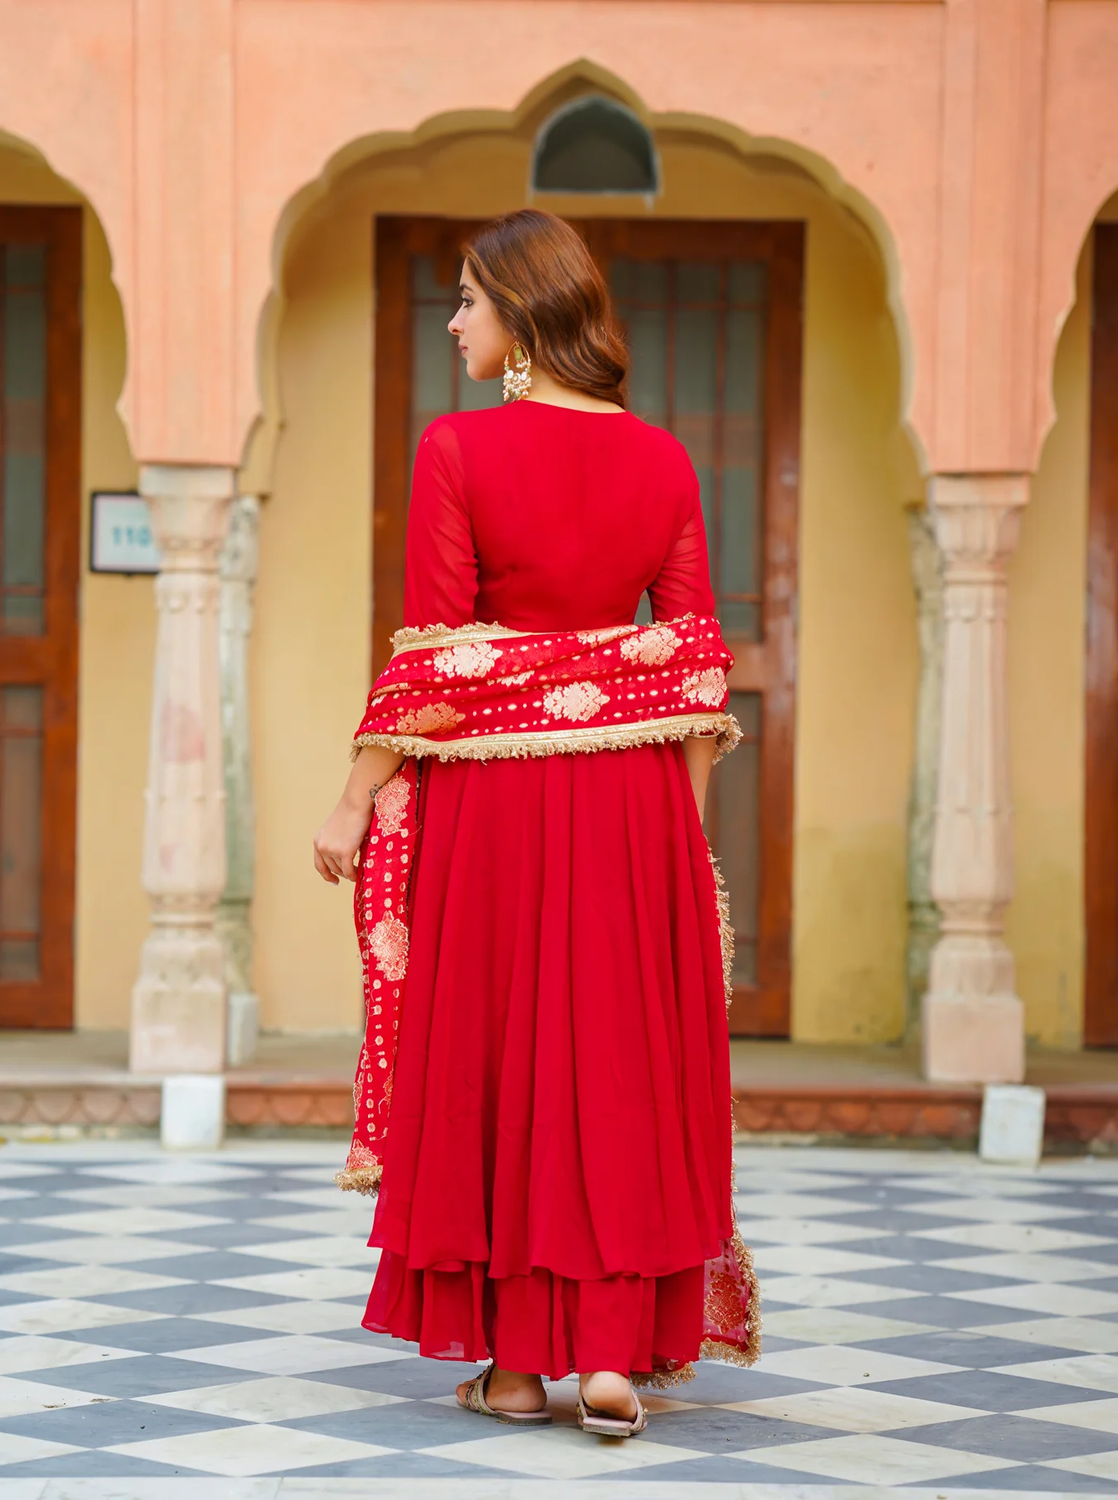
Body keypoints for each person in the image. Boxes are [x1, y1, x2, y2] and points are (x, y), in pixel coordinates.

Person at [314, 209, 756, 1437]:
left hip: (495, 816)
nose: (453, 322)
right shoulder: (666, 462)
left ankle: (513, 1370)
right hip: (636, 814)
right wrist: (683, 843)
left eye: (465, 300)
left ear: (518, 315)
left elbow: (436, 659)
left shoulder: (455, 449)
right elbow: (693, 670)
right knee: (613, 1071)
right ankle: (609, 1364)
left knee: (501, 1068)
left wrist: (355, 796)